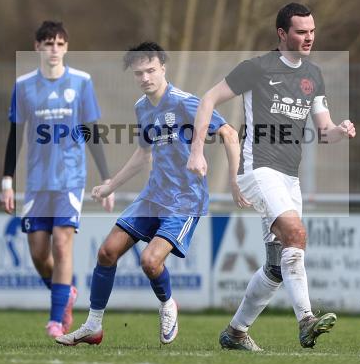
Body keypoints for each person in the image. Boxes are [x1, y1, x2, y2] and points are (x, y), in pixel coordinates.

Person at [187, 2, 356, 351]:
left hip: (289, 177)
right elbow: (208, 99)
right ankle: (306, 321)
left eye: (311, 31)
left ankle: (235, 333)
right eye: (300, 32)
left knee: (277, 266)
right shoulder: (256, 68)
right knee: (295, 233)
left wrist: (340, 129)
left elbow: (323, 131)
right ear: (282, 34)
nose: (308, 37)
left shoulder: (314, 75)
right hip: (258, 167)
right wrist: (196, 150)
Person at [56, 42, 245, 346]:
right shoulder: (142, 107)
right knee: (106, 252)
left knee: (150, 261)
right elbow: (144, 155)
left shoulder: (185, 102)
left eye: (151, 70)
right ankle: (93, 325)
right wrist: (110, 185)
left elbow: (229, 133)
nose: (145, 77)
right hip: (152, 197)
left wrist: (236, 180)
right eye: (139, 73)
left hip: (185, 201)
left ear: (163, 68)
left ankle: (168, 304)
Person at [1, 20, 114, 339]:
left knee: (63, 244)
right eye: (48, 43)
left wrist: (107, 180)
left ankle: (56, 320)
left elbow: (92, 131)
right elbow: (15, 135)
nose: (54, 50)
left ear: (66, 48)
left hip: (70, 179)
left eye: (60, 44)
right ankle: (66, 295)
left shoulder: (80, 82)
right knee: (38, 252)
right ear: (37, 47)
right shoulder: (23, 85)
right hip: (37, 182)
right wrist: (7, 181)